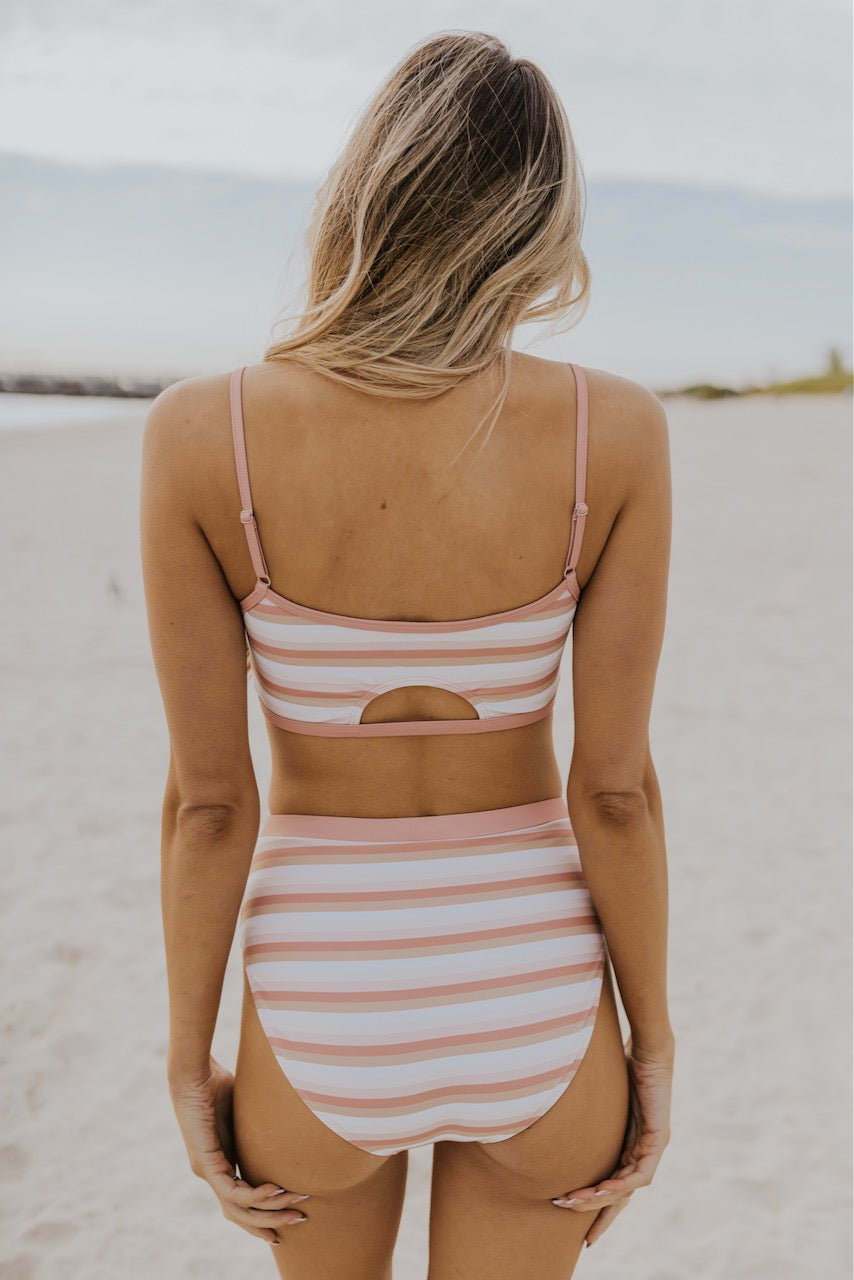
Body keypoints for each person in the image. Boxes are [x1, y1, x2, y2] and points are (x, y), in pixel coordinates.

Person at [140, 29, 674, 1280]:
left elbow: (210, 804)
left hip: (326, 988)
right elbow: (613, 789)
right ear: (537, 222)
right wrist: (648, 1046)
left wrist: (186, 1054)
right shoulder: (615, 435)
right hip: (534, 981)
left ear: (366, 192)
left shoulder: (199, 436)